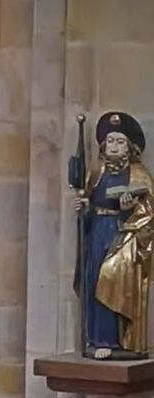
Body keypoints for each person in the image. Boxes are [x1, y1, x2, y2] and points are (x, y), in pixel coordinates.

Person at [76, 111, 154, 358]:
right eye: (110, 141)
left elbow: (149, 209)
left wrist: (130, 209)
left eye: (120, 142)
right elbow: (88, 201)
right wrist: (83, 210)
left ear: (129, 147)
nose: (114, 146)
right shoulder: (97, 172)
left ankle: (117, 340)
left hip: (123, 236)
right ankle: (98, 339)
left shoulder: (139, 173)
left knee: (112, 279)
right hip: (97, 231)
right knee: (93, 279)